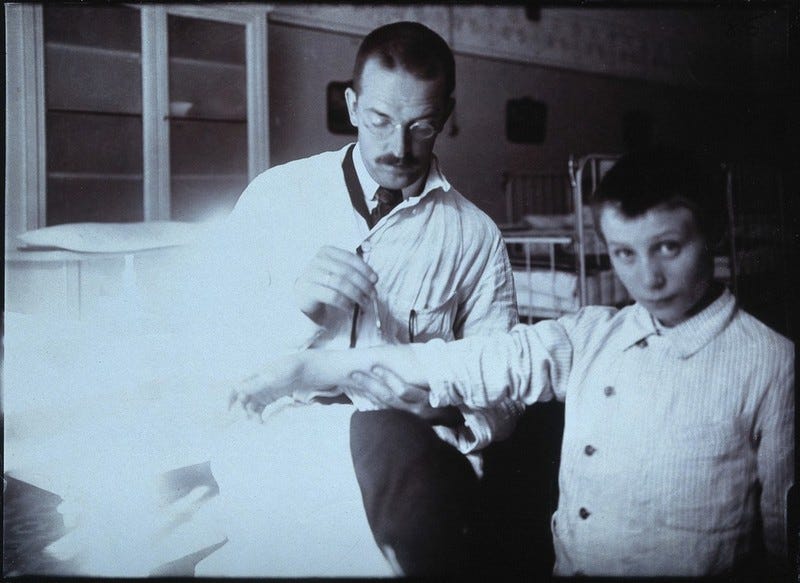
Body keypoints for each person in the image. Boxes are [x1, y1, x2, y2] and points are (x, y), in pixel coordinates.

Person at [232, 146, 795, 577]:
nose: (647, 277)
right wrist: (302, 372)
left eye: (668, 247)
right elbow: (464, 360)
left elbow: (782, 542)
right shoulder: (592, 335)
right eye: (624, 253)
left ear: (714, 235)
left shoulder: (770, 364)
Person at [192, 21, 521, 577]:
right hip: (282, 459)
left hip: (412, 470)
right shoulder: (275, 198)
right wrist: (297, 309)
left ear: (446, 115)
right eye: (380, 121)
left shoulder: (476, 236)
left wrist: (438, 408)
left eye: (421, 126)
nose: (399, 147)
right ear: (351, 105)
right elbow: (208, 351)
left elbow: (506, 393)